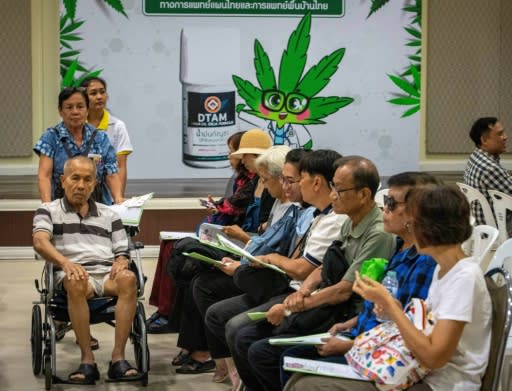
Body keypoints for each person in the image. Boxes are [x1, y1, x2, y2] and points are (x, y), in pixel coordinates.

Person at [285, 184, 492, 391]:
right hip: (413, 371)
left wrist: (391, 308)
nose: (410, 227)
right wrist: (390, 309)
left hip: (440, 383)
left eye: (413, 222)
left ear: (430, 227)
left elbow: (434, 357)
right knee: (300, 380)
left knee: (307, 386)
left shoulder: (463, 278)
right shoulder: (444, 269)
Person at [236, 155, 395, 391]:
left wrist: (295, 306)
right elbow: (324, 266)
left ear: (363, 195)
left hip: (346, 312)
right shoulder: (348, 221)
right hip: (324, 303)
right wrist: (305, 291)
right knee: (246, 336)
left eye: (339, 190)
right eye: (333, 188)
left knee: (262, 350)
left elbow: (344, 290)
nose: (332, 196)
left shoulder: (378, 233)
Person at [279, 171, 440, 388]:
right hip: (364, 337)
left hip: (383, 353)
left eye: (392, 203)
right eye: (386, 201)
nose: (385, 209)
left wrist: (351, 345)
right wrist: (349, 325)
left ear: (416, 213)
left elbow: (407, 328)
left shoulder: (425, 262)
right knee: (290, 357)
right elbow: (380, 309)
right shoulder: (401, 249)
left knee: (296, 370)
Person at [204, 149, 347, 390]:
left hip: (304, 296)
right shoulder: (315, 215)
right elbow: (309, 267)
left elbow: (305, 269)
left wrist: (273, 261)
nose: (292, 185)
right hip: (292, 289)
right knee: (217, 306)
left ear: (317, 182)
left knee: (242, 332)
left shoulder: (334, 218)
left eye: (294, 179)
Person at [172, 145, 294, 378]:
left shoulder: (292, 207)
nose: (264, 183)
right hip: (253, 259)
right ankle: (212, 357)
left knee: (203, 283)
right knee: (193, 273)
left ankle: (220, 361)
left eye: (267, 179)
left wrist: (243, 253)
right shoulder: (275, 199)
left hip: (269, 275)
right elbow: (265, 241)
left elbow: (279, 254)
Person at [32, 156, 139, 384]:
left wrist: (121, 260)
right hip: (70, 273)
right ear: (62, 180)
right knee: (76, 281)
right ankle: (87, 361)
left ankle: (118, 359)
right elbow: (40, 241)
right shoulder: (48, 210)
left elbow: (122, 250)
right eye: (75, 178)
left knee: (129, 279)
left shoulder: (110, 214)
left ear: (94, 184)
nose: (80, 185)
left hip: (105, 273)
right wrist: (66, 263)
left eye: (87, 179)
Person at [146, 131, 254, 333]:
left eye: (232, 152)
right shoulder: (240, 179)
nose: (228, 156)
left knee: (185, 259)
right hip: (225, 233)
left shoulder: (256, 182)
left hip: (236, 241)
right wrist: (219, 207)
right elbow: (229, 205)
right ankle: (165, 309)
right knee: (170, 246)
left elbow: (234, 208)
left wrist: (220, 208)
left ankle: (172, 315)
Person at [34, 87, 123, 206]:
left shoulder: (100, 138)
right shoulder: (51, 137)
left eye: (80, 106)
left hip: (98, 208)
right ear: (60, 111)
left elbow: (111, 174)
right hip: (61, 209)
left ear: (87, 110)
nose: (75, 112)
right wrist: (47, 206)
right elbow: (45, 176)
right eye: (69, 107)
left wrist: (118, 198)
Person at [80, 77, 133, 196]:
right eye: (93, 93)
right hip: (80, 190)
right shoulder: (77, 125)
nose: (99, 96)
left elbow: (121, 166)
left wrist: (118, 197)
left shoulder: (118, 126)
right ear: (83, 97)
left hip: (107, 193)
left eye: (102, 92)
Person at [464, 117, 512, 225]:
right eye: (500, 134)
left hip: (479, 226)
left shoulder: (474, 157)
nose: (505, 137)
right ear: (484, 140)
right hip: (499, 228)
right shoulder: (489, 168)